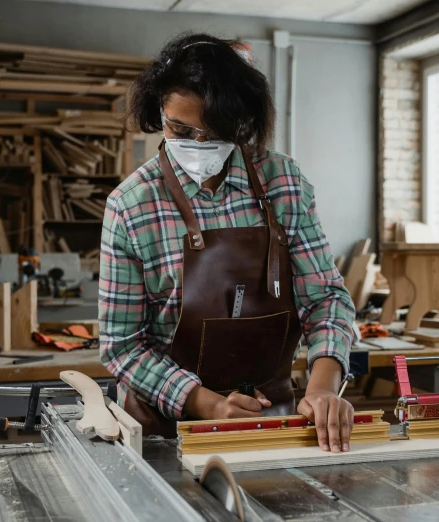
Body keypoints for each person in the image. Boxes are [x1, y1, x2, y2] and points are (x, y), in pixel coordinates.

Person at [99, 33, 357, 453]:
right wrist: (209, 405)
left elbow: (325, 298)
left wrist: (323, 386)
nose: (199, 144)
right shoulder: (131, 206)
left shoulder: (282, 182)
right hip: (167, 429)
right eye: (180, 129)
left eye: (215, 131)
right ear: (157, 110)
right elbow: (122, 346)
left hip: (272, 418)